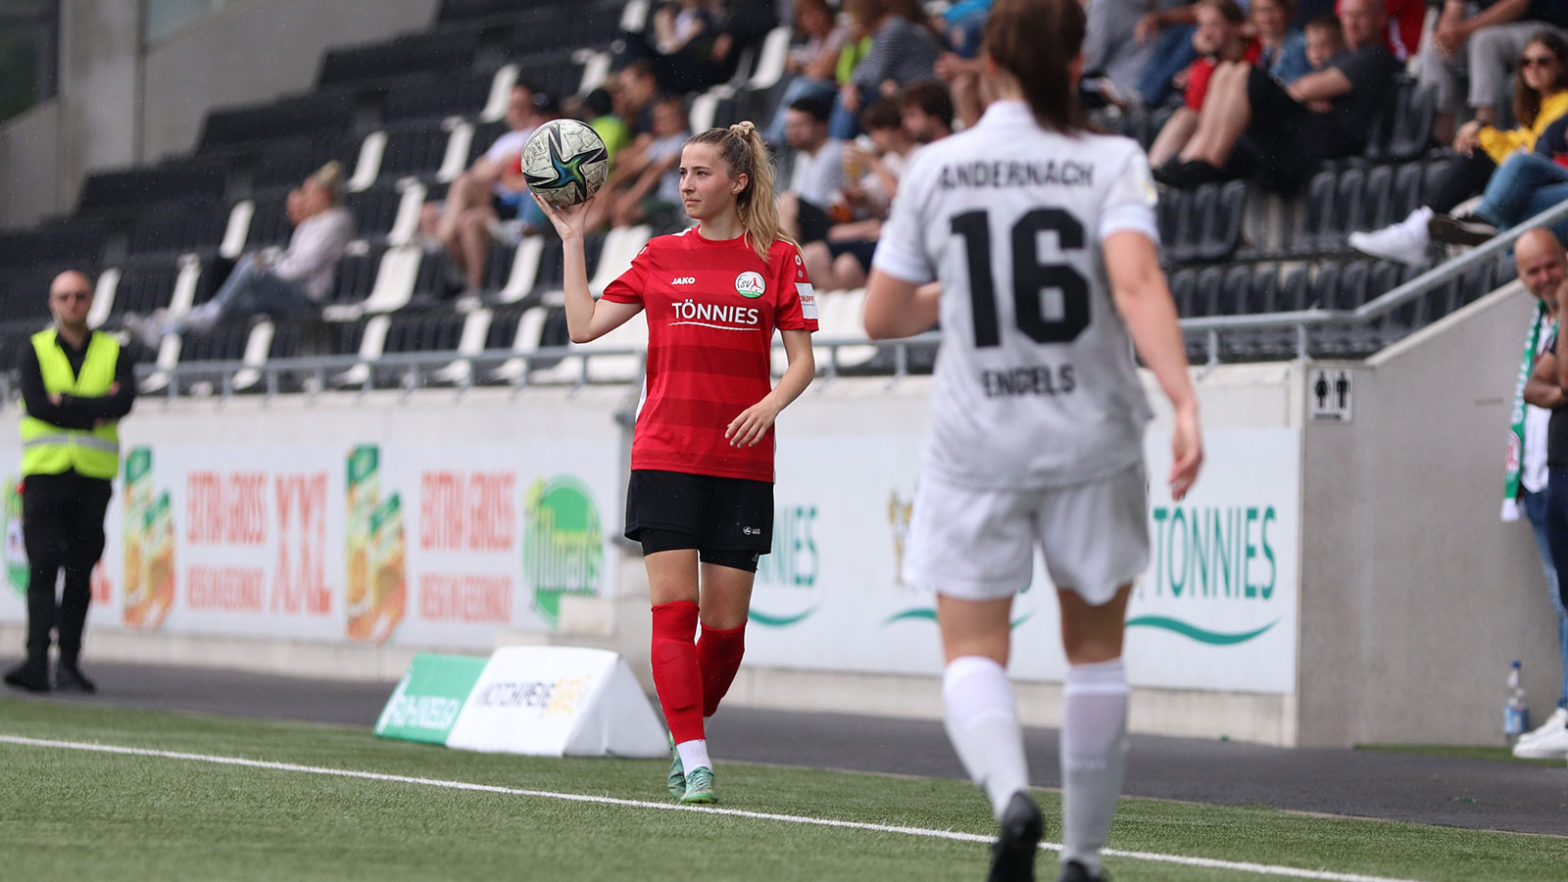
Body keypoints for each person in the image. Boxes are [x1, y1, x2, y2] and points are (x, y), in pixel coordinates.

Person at [862, 0, 1203, 878]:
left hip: (977, 444)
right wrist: (1184, 399)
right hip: (1091, 433)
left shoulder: (938, 167)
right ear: (1079, 54)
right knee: (1095, 653)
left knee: (972, 650)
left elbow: (883, 314)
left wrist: (965, 295)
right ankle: (1084, 859)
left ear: (987, 59)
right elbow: (1137, 285)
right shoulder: (1112, 159)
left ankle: (1012, 796)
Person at [534, 121, 818, 805]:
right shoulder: (660, 255)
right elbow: (582, 325)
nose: (686, 185)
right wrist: (573, 240)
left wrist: (771, 403)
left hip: (743, 463)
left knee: (725, 638)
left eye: (701, 174)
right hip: (665, 456)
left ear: (738, 182)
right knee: (674, 611)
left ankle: (686, 723)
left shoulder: (779, 258)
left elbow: (804, 362)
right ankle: (694, 758)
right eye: (682, 174)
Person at [4, 271, 136, 694]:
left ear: (91, 300)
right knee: (43, 569)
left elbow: (125, 401)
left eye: (80, 296)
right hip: (46, 476)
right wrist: (94, 411)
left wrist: (70, 402)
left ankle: (69, 663)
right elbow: (39, 405)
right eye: (65, 296)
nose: (73, 303)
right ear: (52, 302)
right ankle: (37, 661)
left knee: (80, 572)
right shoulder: (34, 350)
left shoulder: (114, 350)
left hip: (92, 480)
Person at [1354, 31, 1568, 262]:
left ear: (1562, 66)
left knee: (1512, 165)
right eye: (1526, 62)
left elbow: (1540, 151)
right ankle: (1428, 229)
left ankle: (1478, 223)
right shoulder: (1536, 108)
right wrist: (1479, 130)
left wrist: (1482, 132)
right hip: (1545, 181)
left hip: (1558, 178)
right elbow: (1520, 143)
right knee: (1481, 162)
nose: (1533, 68)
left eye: (1543, 61)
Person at [1156, 0, 1402, 190]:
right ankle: (1195, 158)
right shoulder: (1341, 56)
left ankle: (1209, 163)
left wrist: (1308, 90)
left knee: (1247, 74)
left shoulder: (1375, 57)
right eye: (1346, 15)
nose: (1350, 22)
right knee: (1227, 70)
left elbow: (1302, 88)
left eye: (1360, 16)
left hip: (1321, 143)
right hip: (1303, 135)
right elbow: (1307, 88)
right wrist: (1309, 90)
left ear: (1380, 20)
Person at [123, 162, 354, 347]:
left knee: (250, 267)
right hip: (290, 292)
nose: (304, 199)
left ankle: (208, 312)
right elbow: (294, 260)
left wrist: (266, 269)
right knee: (231, 306)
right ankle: (163, 330)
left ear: (323, 196)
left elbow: (303, 266)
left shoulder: (336, 222)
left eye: (309, 194)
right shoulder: (312, 224)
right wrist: (271, 266)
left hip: (307, 298)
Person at [418, 83, 558, 296]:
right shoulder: (505, 141)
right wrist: (500, 166)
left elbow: (518, 179)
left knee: (467, 209)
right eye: (513, 106)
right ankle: (447, 271)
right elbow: (480, 172)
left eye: (522, 106)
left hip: (506, 203)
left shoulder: (538, 135)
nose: (517, 112)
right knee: (430, 212)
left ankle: (451, 256)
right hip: (491, 195)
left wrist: (498, 170)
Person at [1516, 230, 1568, 759]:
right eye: (1533, 272)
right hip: (1539, 476)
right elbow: (1534, 389)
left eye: (1551, 266)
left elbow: (1556, 383)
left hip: (1560, 470)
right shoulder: (1542, 319)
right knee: (1562, 600)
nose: (1545, 278)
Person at [1419, 0, 1568, 143]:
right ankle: (1439, 143)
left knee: (1485, 41)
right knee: (1433, 47)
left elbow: (1517, 5)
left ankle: (1482, 133)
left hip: (1547, 26)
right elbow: (1454, 5)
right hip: (1492, 27)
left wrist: (1463, 30)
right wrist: (1447, 34)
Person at [1148, 0, 1261, 169]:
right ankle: (1153, 170)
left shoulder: (1253, 52)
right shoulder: (1210, 59)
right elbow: (1195, 102)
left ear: (1237, 26)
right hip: (1211, 133)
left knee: (1188, 117)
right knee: (1185, 115)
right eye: (1202, 25)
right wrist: (1209, 57)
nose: (1206, 32)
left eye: (1214, 24)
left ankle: (1176, 172)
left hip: (1245, 134)